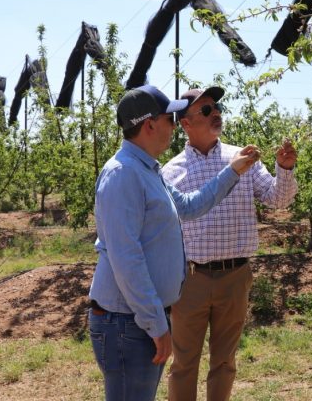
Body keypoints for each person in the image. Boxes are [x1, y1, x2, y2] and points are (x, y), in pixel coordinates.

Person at [88, 85, 260, 401]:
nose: (175, 124)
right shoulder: (123, 175)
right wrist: (155, 324)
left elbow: (190, 206)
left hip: (138, 317)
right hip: (127, 321)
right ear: (150, 125)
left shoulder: (147, 170)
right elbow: (126, 258)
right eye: (170, 118)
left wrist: (233, 170)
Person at [162, 86, 298, 401]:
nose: (216, 113)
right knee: (184, 363)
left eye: (217, 107)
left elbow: (278, 200)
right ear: (186, 123)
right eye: (206, 110)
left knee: (225, 362)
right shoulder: (172, 171)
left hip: (236, 277)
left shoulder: (242, 159)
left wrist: (285, 169)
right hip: (190, 280)